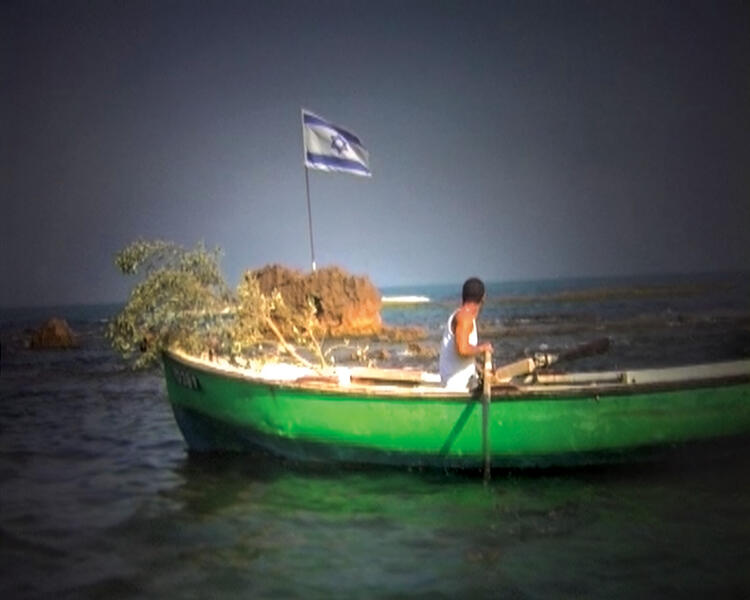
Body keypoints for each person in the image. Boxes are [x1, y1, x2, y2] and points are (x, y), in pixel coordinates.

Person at [439, 277, 493, 390]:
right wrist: (483, 348)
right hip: (456, 385)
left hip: (459, 381)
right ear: (483, 298)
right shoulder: (464, 317)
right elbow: (462, 349)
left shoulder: (464, 316)